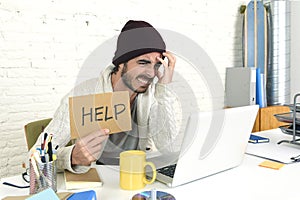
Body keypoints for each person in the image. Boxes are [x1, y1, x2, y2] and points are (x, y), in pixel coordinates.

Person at [31, 20, 179, 173]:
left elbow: (168, 146)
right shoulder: (82, 96)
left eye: (156, 65)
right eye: (143, 62)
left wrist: (164, 89)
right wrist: (71, 157)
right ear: (121, 62)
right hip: (96, 181)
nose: (151, 73)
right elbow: (34, 158)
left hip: (135, 179)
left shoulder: (154, 94)